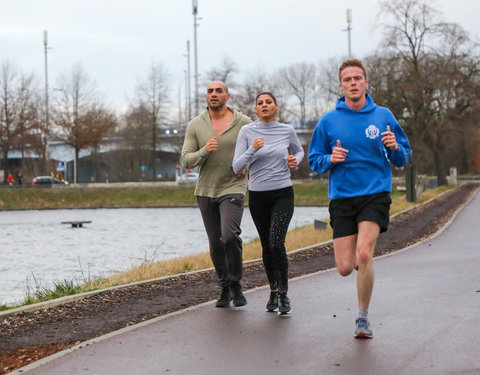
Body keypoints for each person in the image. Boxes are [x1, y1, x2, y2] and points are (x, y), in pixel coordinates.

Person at [308, 59, 410, 338]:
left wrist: (394, 147)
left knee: (364, 253)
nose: (353, 83)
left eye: (357, 78)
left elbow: (403, 156)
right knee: (344, 268)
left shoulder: (383, 115)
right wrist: (331, 158)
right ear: (341, 86)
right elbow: (314, 160)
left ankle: (362, 318)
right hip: (342, 198)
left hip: (375, 194)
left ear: (366, 82)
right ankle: (359, 265)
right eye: (347, 79)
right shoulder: (328, 121)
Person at [181, 80, 251, 308]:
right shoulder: (195, 125)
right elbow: (185, 161)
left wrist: (247, 167)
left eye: (218, 91)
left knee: (229, 236)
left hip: (233, 186)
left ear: (227, 96)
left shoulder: (244, 123)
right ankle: (225, 288)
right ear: (206, 96)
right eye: (210, 91)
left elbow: (259, 151)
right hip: (205, 190)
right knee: (215, 242)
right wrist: (204, 151)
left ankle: (236, 283)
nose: (213, 94)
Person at [233, 92, 304, 314]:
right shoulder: (247, 132)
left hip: (283, 192)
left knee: (276, 241)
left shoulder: (287, 130)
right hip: (258, 196)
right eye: (260, 103)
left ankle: (284, 294)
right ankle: (273, 289)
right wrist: (252, 148)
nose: (264, 106)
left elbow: (299, 150)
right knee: (266, 244)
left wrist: (296, 160)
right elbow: (236, 166)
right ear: (256, 109)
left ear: (276, 107)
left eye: (268, 103)